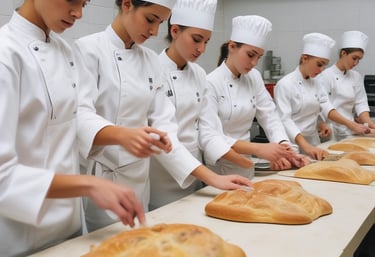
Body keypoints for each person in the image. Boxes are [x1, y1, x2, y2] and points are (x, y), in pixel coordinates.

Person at [74, 0, 252, 231]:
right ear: (127, 4)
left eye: (160, 22)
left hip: (139, 180)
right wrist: (123, 135)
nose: (155, 31)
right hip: (102, 180)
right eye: (150, 19)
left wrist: (213, 178)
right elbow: (79, 115)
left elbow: (166, 131)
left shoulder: (149, 60)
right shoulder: (87, 49)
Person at [0, 1, 146, 256]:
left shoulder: (66, 52)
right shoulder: (6, 54)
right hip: (20, 235)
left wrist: (121, 134)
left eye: (84, 3)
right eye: (71, 0)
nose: (78, 13)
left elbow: (76, 119)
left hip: (69, 227)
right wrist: (88, 185)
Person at [199, 15, 309, 179]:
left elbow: (270, 116)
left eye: (259, 57)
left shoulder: (254, 77)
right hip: (220, 168)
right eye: (250, 55)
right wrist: (260, 150)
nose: (254, 62)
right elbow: (212, 137)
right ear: (232, 46)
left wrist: (285, 149)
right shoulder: (210, 83)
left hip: (248, 164)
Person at [149, 0, 220, 210]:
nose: (202, 49)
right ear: (175, 31)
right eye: (197, 40)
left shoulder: (199, 74)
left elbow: (207, 126)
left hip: (195, 169)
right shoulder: (153, 68)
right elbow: (160, 134)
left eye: (207, 42)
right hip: (162, 173)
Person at [273, 33, 370, 160]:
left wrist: (322, 124)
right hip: (291, 143)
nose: (322, 70)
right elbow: (285, 120)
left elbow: (325, 107)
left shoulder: (316, 83)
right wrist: (305, 146)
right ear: (304, 58)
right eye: (319, 64)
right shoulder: (285, 84)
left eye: (324, 65)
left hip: (313, 141)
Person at [319, 30, 375, 141]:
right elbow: (325, 107)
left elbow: (361, 103)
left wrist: (369, 123)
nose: (356, 63)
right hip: (331, 131)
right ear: (343, 53)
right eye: (354, 58)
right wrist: (352, 125)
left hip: (351, 131)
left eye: (359, 59)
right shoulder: (325, 76)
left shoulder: (356, 76)